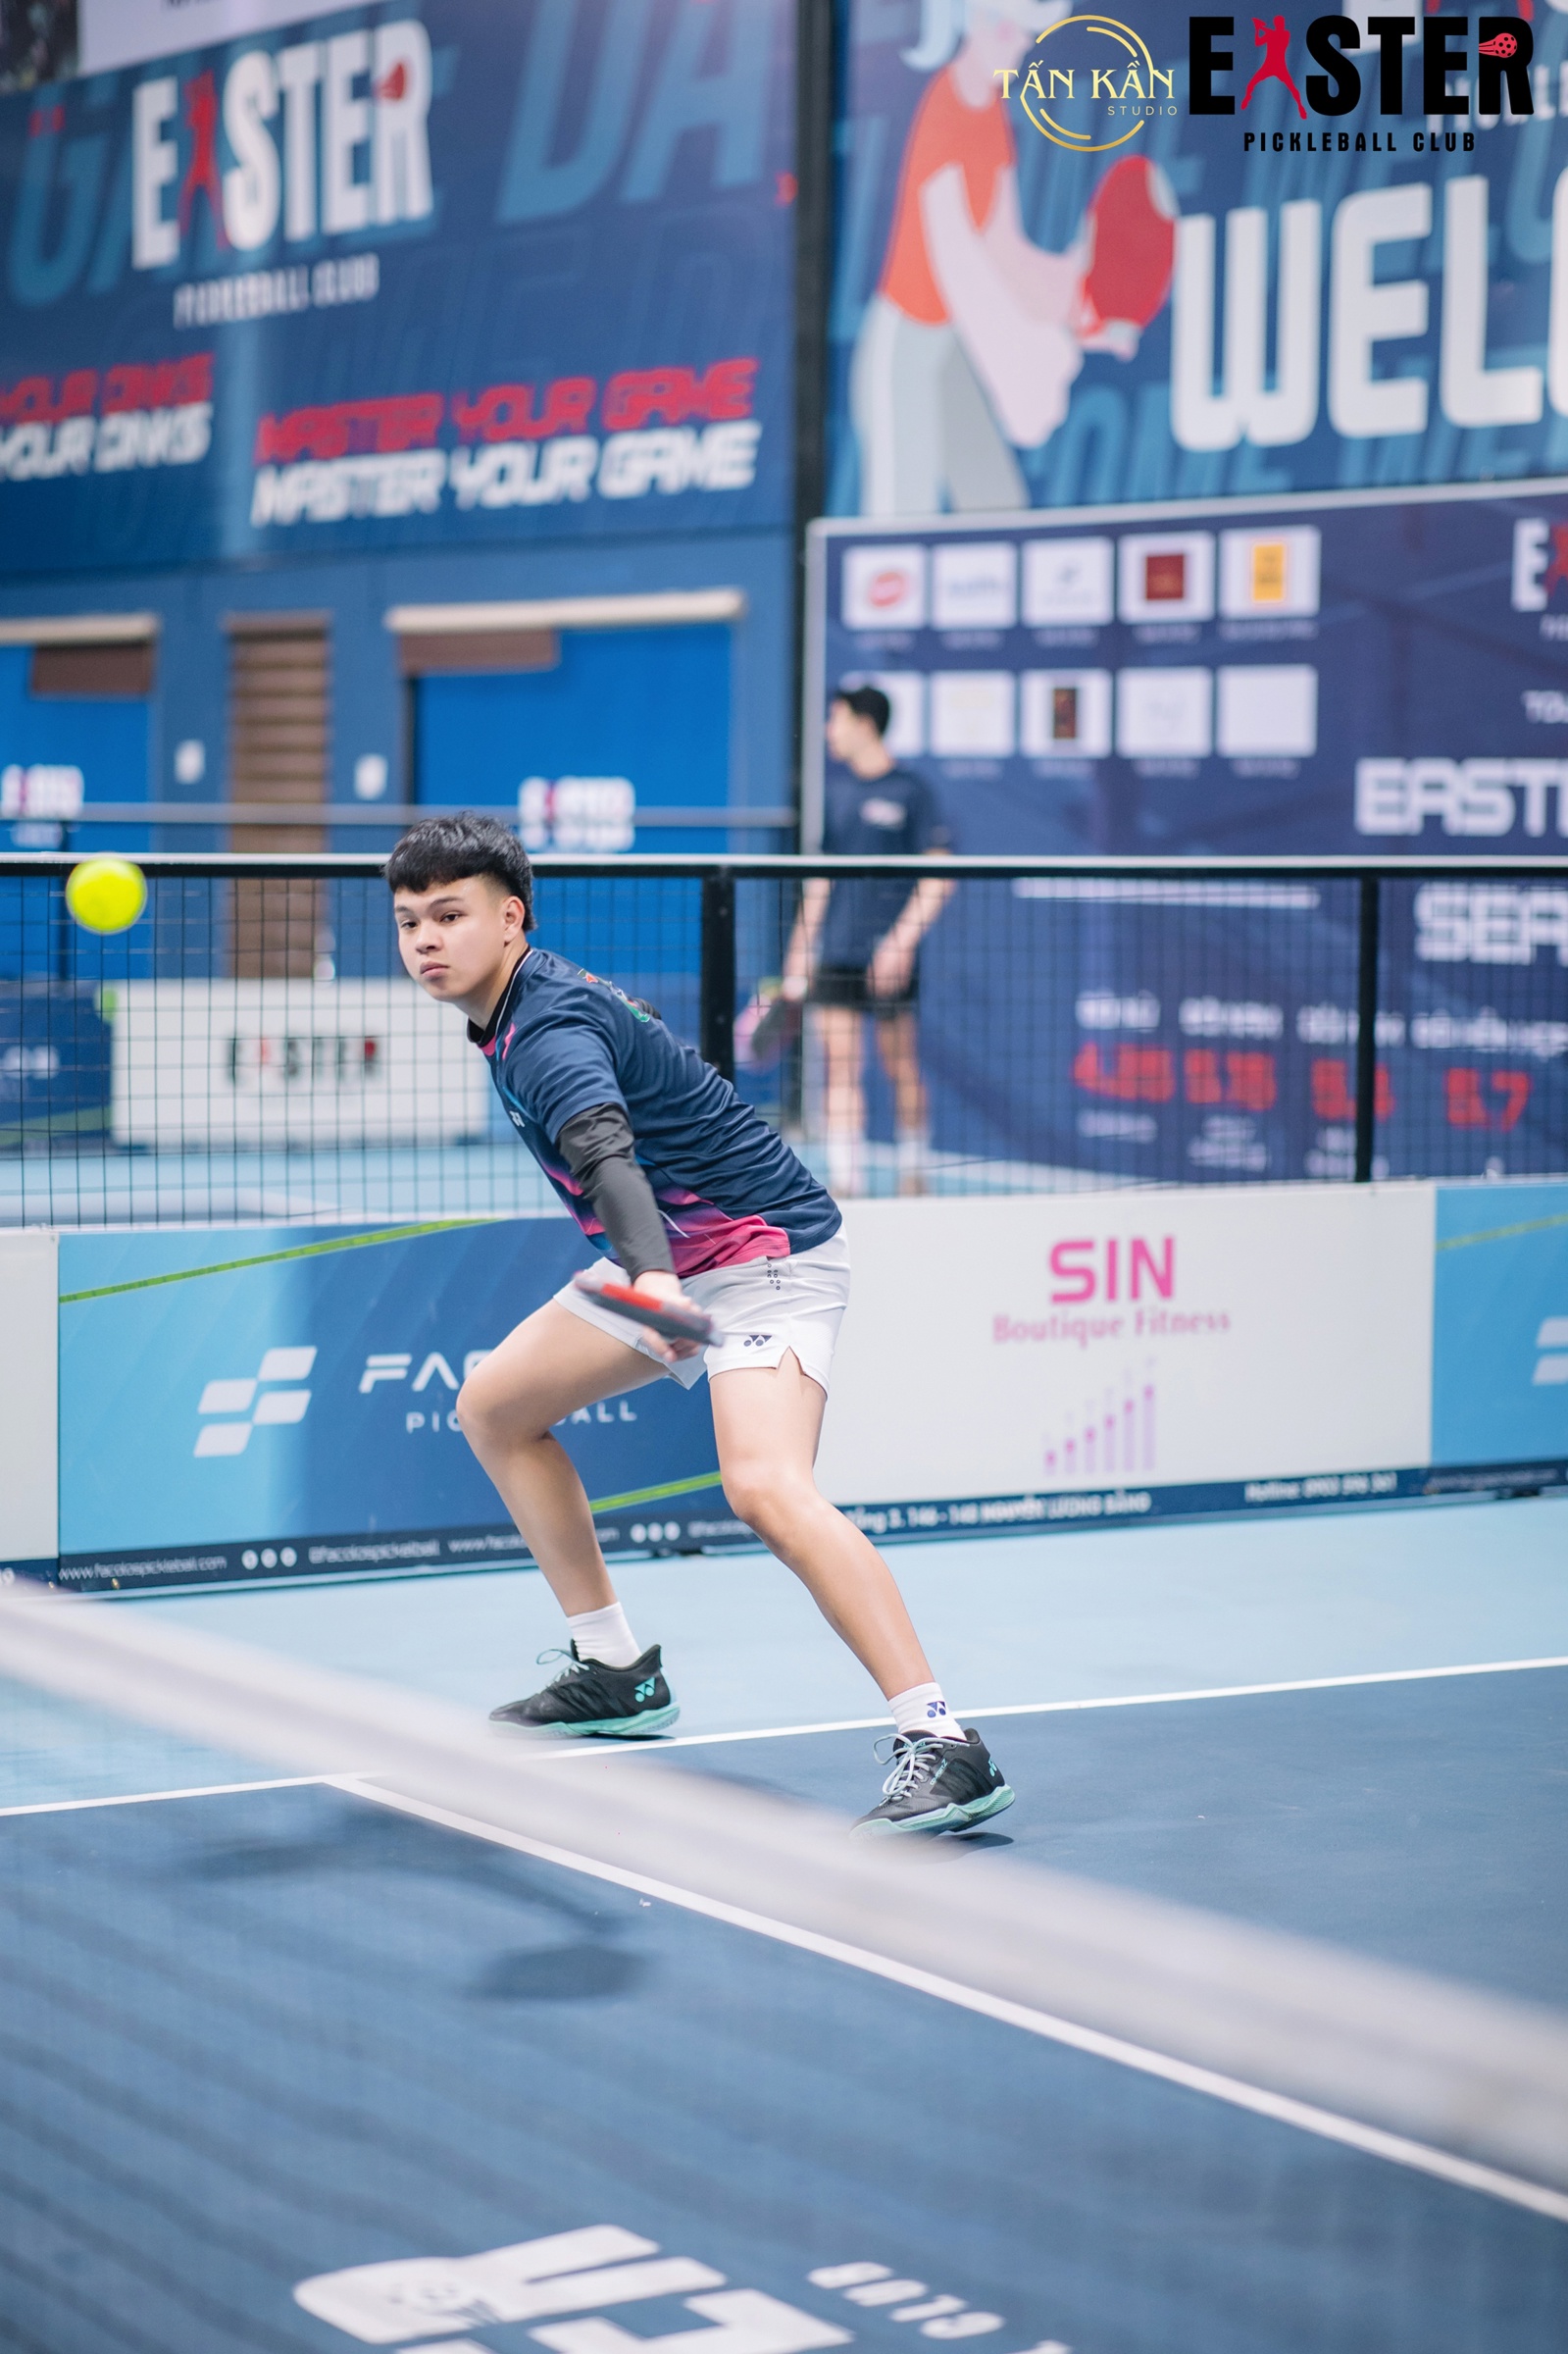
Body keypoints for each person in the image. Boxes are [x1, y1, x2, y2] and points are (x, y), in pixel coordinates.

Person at [386, 811, 1013, 1838]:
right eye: (410, 921)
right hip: (673, 1262)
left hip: (763, 1258)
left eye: (449, 915)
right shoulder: (512, 1010)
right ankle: (615, 1669)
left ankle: (943, 1739)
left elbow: (605, 1153)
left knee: (764, 1486)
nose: (425, 940)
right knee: (494, 1408)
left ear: (511, 919)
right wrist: (653, 1275)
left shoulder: (548, 1033)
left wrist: (648, 1278)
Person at [851, 0, 1176, 514]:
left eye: (1028, 34)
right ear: (981, 21)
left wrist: (1080, 304)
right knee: (901, 520)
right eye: (1015, 31)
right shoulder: (945, 109)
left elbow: (1005, 252)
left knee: (997, 506)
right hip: (904, 353)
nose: (1023, 45)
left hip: (949, 347)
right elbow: (959, 264)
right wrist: (1029, 363)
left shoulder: (991, 114)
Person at [782, 685, 952, 1200]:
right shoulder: (837, 795)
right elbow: (820, 881)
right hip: (836, 954)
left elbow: (939, 874)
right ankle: (847, 1186)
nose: (828, 731)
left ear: (865, 724)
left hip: (890, 957)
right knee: (840, 1067)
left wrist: (901, 942)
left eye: (836, 719)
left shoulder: (912, 792)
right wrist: (800, 950)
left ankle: (915, 1175)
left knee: (901, 1065)